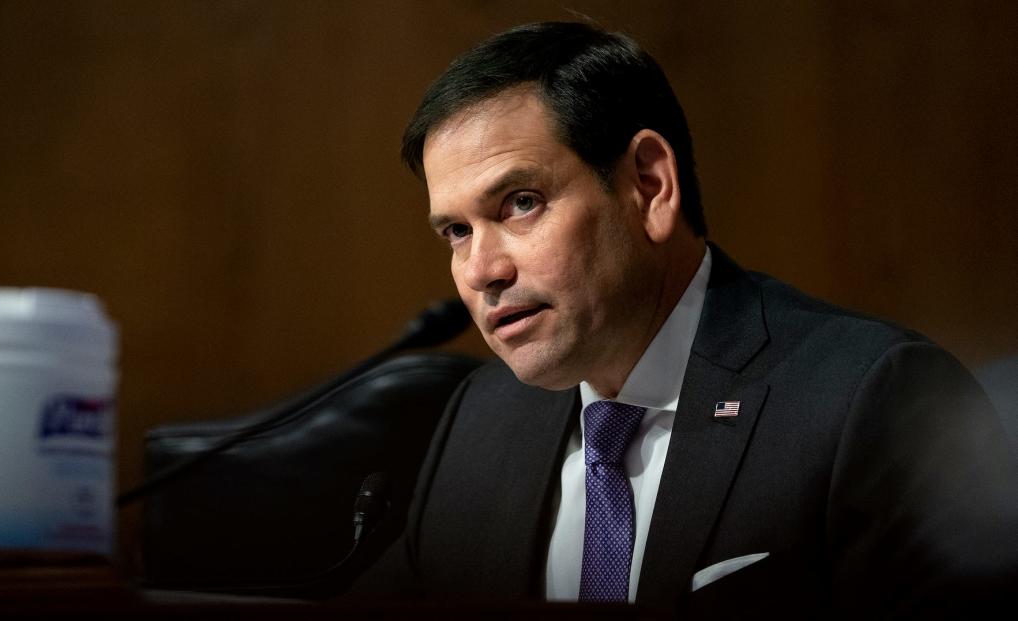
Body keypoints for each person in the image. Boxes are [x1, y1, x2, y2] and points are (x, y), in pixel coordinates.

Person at [353, 21, 1018, 617]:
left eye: (520, 203)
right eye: (456, 231)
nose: (481, 270)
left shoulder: (871, 402)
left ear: (649, 184)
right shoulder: (478, 424)